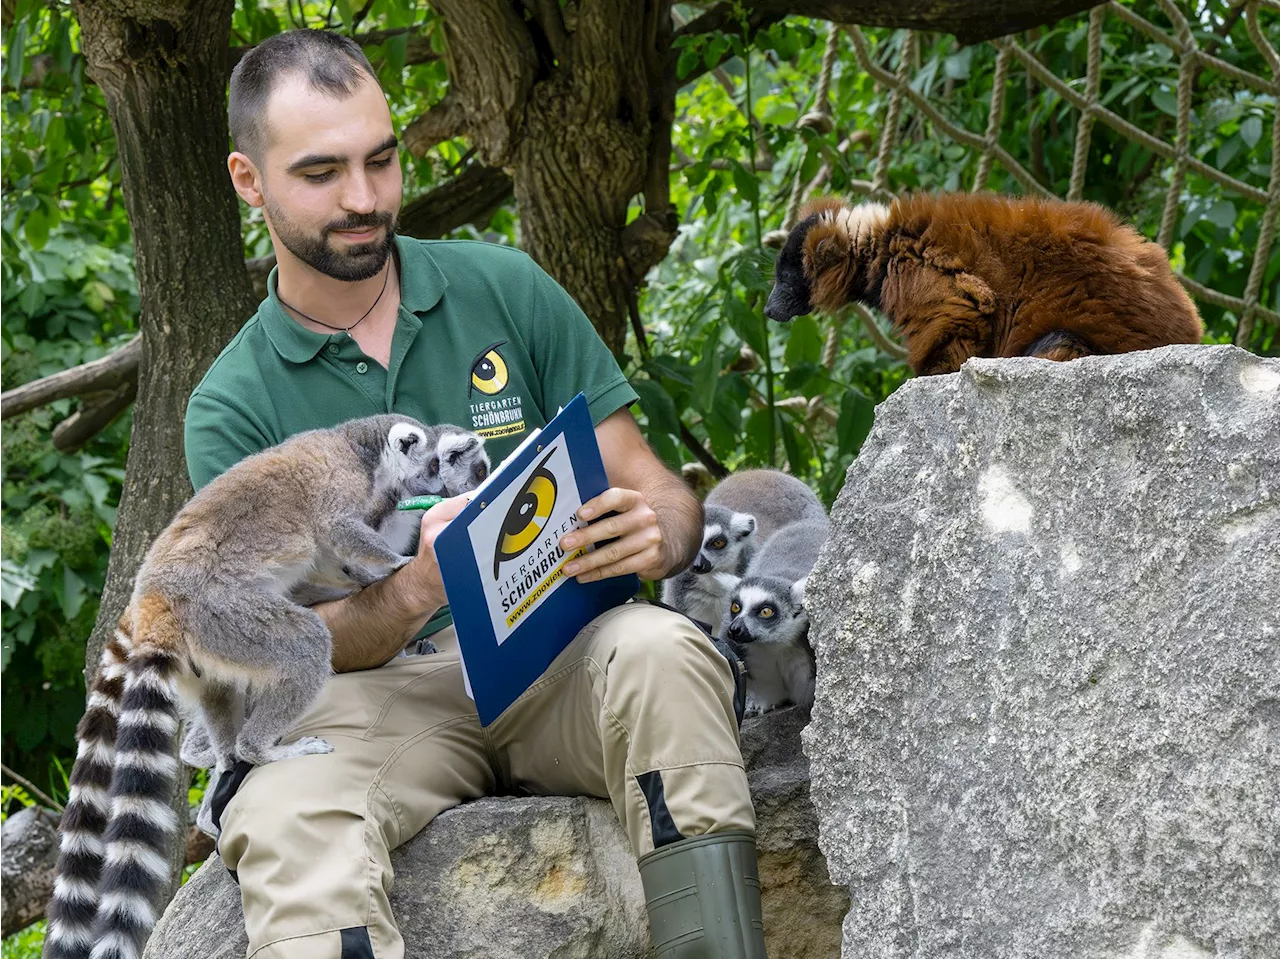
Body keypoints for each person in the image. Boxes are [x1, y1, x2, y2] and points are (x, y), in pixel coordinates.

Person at [181, 27, 766, 959]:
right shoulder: (233, 404)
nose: (365, 198)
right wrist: (419, 585)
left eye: (382, 159)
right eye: (323, 173)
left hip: (561, 658)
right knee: (285, 812)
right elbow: (275, 650)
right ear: (249, 182)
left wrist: (657, 529)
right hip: (377, 701)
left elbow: (655, 482)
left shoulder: (507, 289)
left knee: (664, 649)